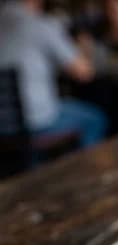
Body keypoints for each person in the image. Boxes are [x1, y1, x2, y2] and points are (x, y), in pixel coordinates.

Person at [0, 0, 107, 148]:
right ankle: (86, 169)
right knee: (95, 119)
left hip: (4, 126)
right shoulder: (40, 25)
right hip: (37, 124)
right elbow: (84, 72)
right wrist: (84, 46)